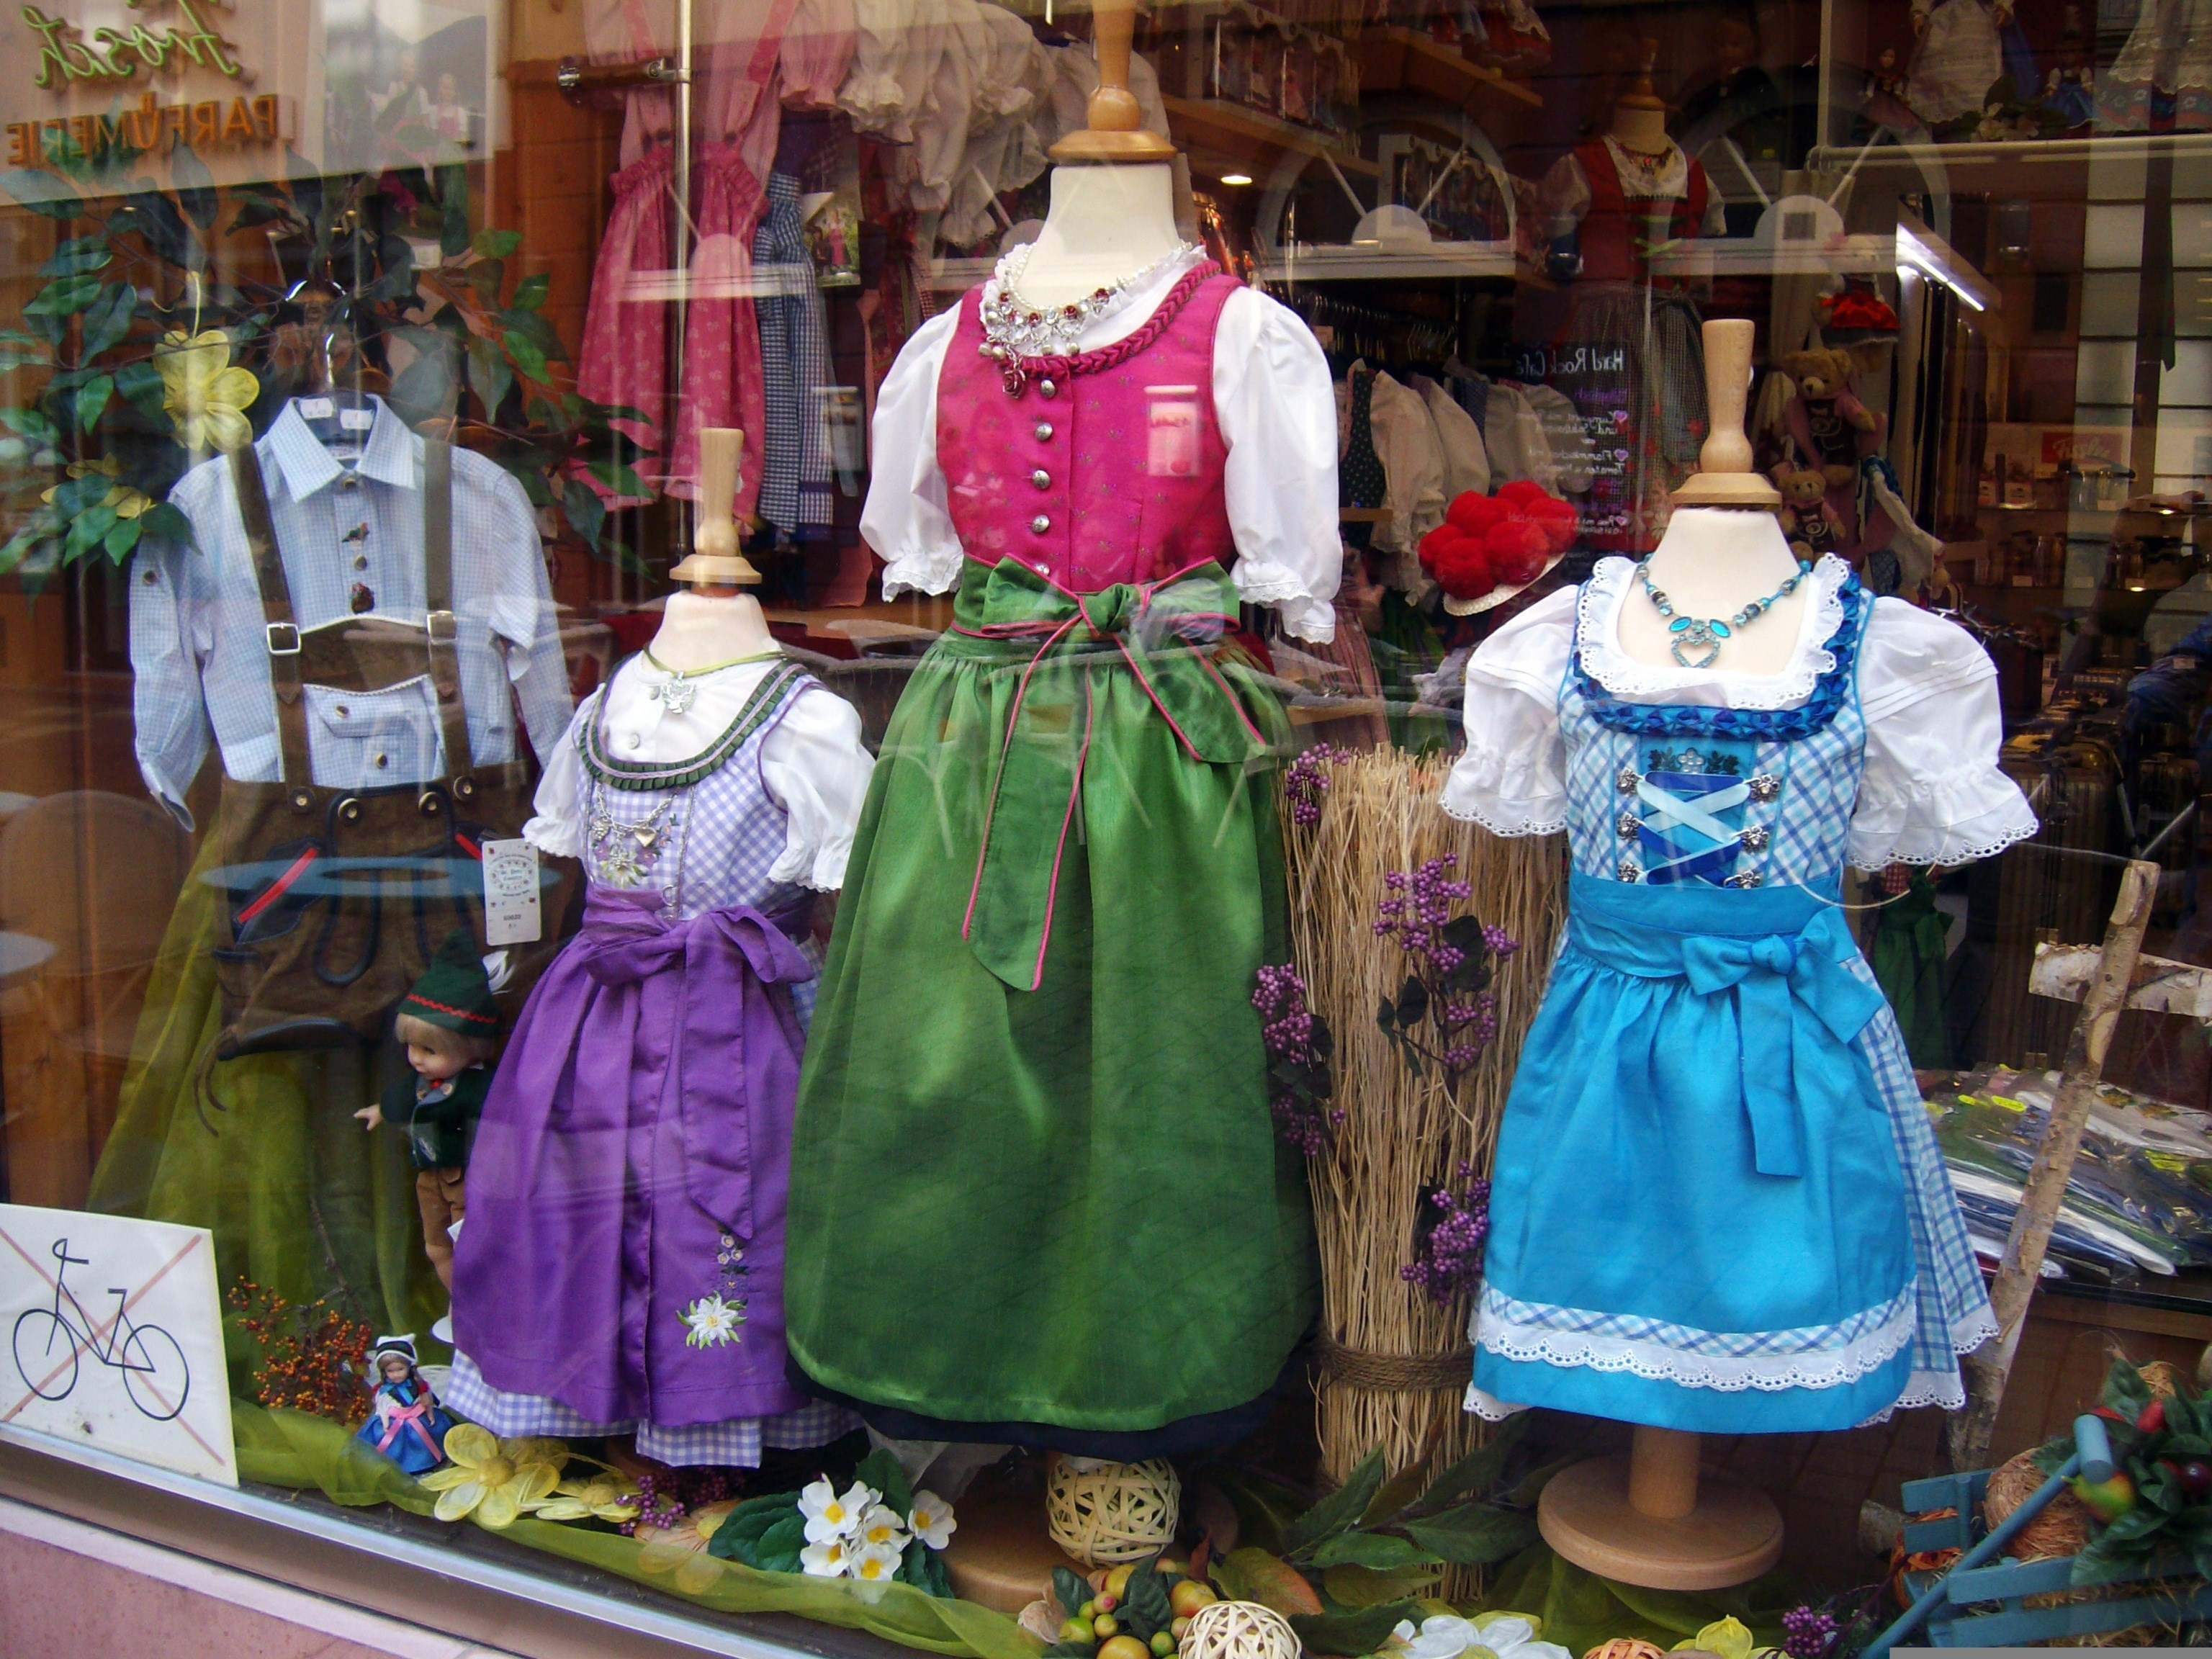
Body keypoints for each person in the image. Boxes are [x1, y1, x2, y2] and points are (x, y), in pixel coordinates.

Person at [356, 931, 500, 1293]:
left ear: (473, 1049)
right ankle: (457, 1301)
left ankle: (477, 1304)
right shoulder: (419, 1083)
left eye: (430, 1050)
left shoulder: (476, 1090)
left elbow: (500, 1120)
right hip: (429, 1178)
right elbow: (401, 1099)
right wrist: (381, 1110)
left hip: (467, 1180)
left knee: (471, 1246)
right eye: (412, 1047)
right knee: (436, 1247)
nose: (416, 1058)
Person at [354, 1335, 455, 1474]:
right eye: (391, 1371)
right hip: (391, 1421)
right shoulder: (383, 1391)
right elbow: (382, 1408)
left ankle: (427, 1461)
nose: (396, 1375)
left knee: (423, 1435)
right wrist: (384, 1423)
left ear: (410, 1367)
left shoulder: (418, 1386)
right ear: (384, 1372)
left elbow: (428, 1400)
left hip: (418, 1416)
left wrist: (429, 1412)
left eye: (400, 1369)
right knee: (387, 1440)